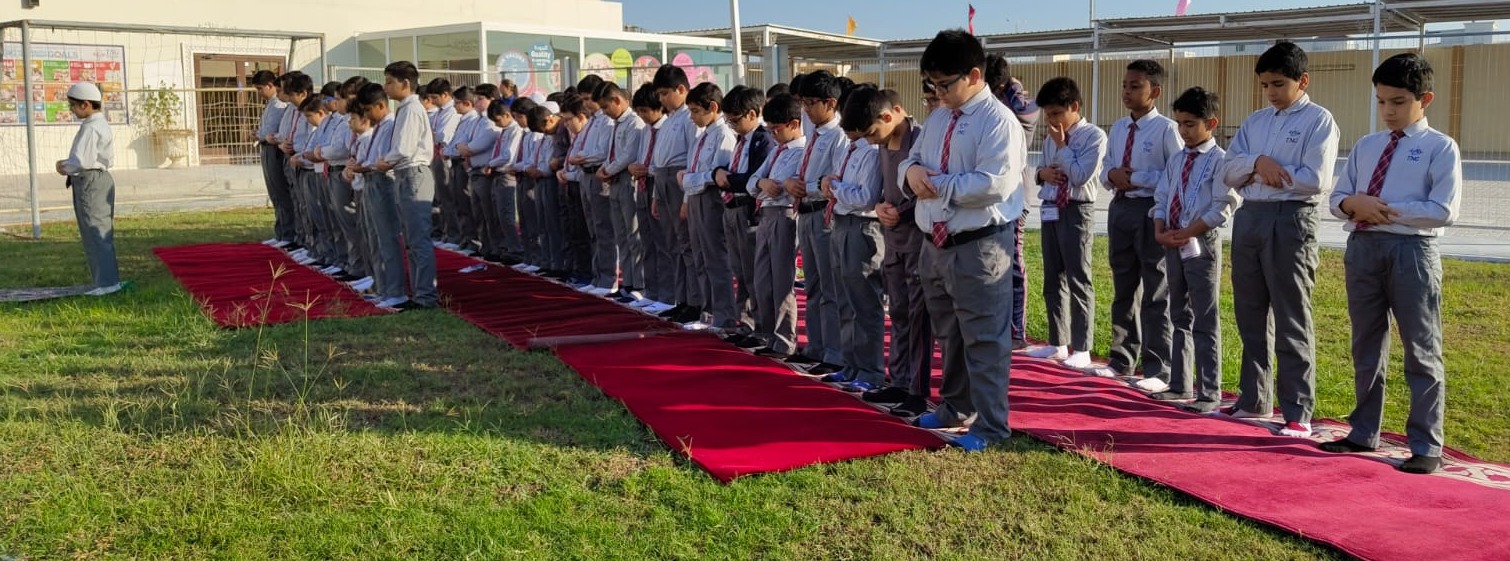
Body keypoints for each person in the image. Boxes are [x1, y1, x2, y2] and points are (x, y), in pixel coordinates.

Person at [1319, 53, 1461, 475]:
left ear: (1425, 99)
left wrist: (1382, 209)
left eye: (1398, 102)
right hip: (1363, 251)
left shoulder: (1439, 148)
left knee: (1421, 349)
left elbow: (1443, 210)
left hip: (1411, 253)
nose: (1388, 111)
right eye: (1381, 102)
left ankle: (1426, 443)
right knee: (1366, 344)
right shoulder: (1367, 146)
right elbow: (1336, 199)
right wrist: (1351, 204)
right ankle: (1363, 431)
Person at [904, 30, 1028, 451]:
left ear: (975, 75)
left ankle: (991, 426)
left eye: (945, 84)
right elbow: (914, 158)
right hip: (935, 242)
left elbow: (995, 183)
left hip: (980, 245)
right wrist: (910, 173)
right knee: (949, 332)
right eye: (932, 86)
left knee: (985, 337)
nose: (938, 93)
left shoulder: (999, 122)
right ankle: (955, 406)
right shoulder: (940, 116)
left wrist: (937, 184)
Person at [1218, 42, 1340, 438]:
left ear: (1302, 81)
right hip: (1250, 218)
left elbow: (1314, 179)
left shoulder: (1319, 121)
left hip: (1291, 221)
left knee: (1291, 315)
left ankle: (1297, 410)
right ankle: (1254, 398)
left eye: (1279, 83)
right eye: (1265, 84)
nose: (1271, 91)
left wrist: (1269, 170)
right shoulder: (1255, 122)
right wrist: (1256, 164)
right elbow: (1228, 170)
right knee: (1250, 313)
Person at [1152, 87, 1237, 411]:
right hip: (1173, 242)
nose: (1184, 131)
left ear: (1211, 123)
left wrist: (1189, 231)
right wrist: (1160, 229)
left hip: (1200, 244)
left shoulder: (1221, 162)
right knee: (1179, 314)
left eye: (1190, 124)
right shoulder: (1177, 159)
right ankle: (1179, 382)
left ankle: (1209, 391)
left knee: (1205, 317)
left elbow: (1222, 207)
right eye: (1179, 124)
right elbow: (1162, 196)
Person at [1098, 60, 1180, 387]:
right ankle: (1121, 358)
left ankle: (1158, 367)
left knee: (1156, 290)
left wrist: (1136, 178)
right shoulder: (1118, 128)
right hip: (1121, 209)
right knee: (1123, 286)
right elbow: (1105, 169)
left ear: (1154, 91)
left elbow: (1174, 174)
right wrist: (1112, 176)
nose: (1127, 92)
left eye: (1135, 86)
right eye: (1124, 85)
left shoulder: (1166, 130)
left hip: (1150, 211)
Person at [858, 88, 931, 417]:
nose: (872, 141)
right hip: (892, 237)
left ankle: (918, 389)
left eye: (873, 132)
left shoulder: (921, 139)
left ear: (890, 115)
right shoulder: (883, 145)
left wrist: (902, 211)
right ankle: (899, 380)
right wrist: (879, 207)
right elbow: (878, 189)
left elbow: (927, 187)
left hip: (917, 235)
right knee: (898, 311)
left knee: (918, 315)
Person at [1024, 77, 1105, 372]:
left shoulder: (1093, 137)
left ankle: (1082, 347)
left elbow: (1081, 175)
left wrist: (1063, 148)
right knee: (1052, 277)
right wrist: (1043, 173)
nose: (1051, 120)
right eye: (1047, 115)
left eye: (1057, 113)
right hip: (1050, 209)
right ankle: (1058, 341)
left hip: (1076, 208)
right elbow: (1044, 171)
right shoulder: (1050, 138)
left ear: (1074, 106)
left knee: (1078, 277)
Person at [788, 70, 851, 374]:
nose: (806, 110)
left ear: (830, 103)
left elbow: (834, 179)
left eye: (811, 103)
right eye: (803, 103)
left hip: (824, 212)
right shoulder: (814, 132)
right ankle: (814, 345)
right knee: (812, 285)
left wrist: (807, 186)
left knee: (830, 287)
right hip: (806, 211)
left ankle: (834, 352)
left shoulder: (839, 136)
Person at [827, 85, 887, 393]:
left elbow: (865, 197)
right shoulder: (848, 148)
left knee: (865, 302)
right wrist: (837, 188)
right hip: (841, 222)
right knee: (845, 299)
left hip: (863, 228)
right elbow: (838, 182)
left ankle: (871, 369)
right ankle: (850, 364)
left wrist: (835, 189)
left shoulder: (872, 151)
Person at [746, 94, 808, 359]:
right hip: (766, 215)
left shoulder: (803, 151)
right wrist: (762, 185)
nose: (772, 134)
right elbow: (753, 183)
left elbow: (787, 185)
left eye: (777, 129)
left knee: (782, 280)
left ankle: (784, 339)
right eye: (769, 129)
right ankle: (768, 332)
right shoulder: (776, 151)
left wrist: (770, 185)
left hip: (785, 215)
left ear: (794, 124)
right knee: (761, 277)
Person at [376, 61, 439, 310]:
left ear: (405, 84)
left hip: (413, 173)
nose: (386, 87)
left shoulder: (412, 109)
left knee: (418, 238)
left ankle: (425, 296)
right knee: (412, 239)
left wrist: (385, 161)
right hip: (405, 173)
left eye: (390, 82)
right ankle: (419, 292)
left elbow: (404, 147)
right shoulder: (405, 108)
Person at [986, 53, 1039, 350]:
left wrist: (1011, 88)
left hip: (1015, 195)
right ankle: (998, 323)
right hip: (993, 198)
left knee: (1014, 264)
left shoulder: (1019, 106)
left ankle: (1016, 329)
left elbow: (1028, 113)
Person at [713, 85, 772, 344]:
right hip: (732, 208)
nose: (732, 125)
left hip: (749, 211)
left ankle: (761, 327)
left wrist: (728, 180)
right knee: (739, 270)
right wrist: (718, 173)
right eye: (728, 120)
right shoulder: (740, 139)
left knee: (754, 273)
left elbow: (755, 178)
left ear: (752, 114)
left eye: (735, 119)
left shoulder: (763, 139)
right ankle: (746, 322)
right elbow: (727, 169)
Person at [680, 82, 738, 329]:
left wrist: (688, 179)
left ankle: (724, 315)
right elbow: (695, 169)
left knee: (716, 257)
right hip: (694, 198)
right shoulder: (702, 135)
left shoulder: (724, 135)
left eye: (696, 111)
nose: (692, 117)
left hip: (711, 200)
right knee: (700, 257)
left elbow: (716, 175)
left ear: (713, 107)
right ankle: (708, 312)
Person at [55, 82, 120, 296]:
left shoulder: (91, 128)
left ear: (85, 104)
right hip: (96, 179)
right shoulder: (98, 124)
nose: (72, 110)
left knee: (96, 231)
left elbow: (81, 160)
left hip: (90, 180)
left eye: (73, 106)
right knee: (96, 230)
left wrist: (62, 166)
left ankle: (107, 283)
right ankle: (103, 279)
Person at [650, 65, 700, 323]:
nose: (661, 99)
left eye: (664, 93)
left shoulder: (690, 119)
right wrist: (656, 197)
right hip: (663, 180)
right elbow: (659, 159)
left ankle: (694, 301)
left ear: (681, 89)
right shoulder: (669, 120)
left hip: (679, 181)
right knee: (673, 244)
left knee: (687, 245)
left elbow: (693, 158)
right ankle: (680, 298)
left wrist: (686, 198)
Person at [595, 83, 649, 306]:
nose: (605, 112)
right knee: (621, 235)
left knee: (633, 234)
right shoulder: (615, 124)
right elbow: (612, 152)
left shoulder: (634, 122)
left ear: (617, 100)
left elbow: (628, 155)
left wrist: (608, 169)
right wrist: (605, 168)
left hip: (628, 180)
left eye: (606, 106)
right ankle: (627, 282)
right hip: (614, 180)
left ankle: (639, 285)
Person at [629, 85, 674, 314]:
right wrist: (636, 168)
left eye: (645, 111)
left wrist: (648, 169)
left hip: (659, 185)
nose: (642, 116)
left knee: (663, 242)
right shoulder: (645, 130)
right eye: (638, 111)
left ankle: (668, 294)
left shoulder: (667, 126)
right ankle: (652, 291)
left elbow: (664, 161)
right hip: (642, 185)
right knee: (647, 240)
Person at [253, 70, 296, 248]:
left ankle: (288, 234)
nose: (259, 93)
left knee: (281, 192)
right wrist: (260, 134)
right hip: (268, 147)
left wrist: (261, 135)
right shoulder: (273, 103)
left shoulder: (280, 105)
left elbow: (271, 131)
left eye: (260, 88)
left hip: (275, 150)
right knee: (275, 193)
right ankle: (281, 232)